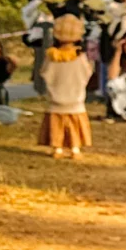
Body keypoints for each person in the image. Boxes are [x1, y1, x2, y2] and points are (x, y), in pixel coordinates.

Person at [38, 16, 93, 158]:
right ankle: (75, 149)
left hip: (56, 99)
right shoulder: (80, 56)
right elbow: (87, 72)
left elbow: (45, 72)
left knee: (56, 123)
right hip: (75, 99)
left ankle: (58, 148)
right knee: (74, 124)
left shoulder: (51, 56)